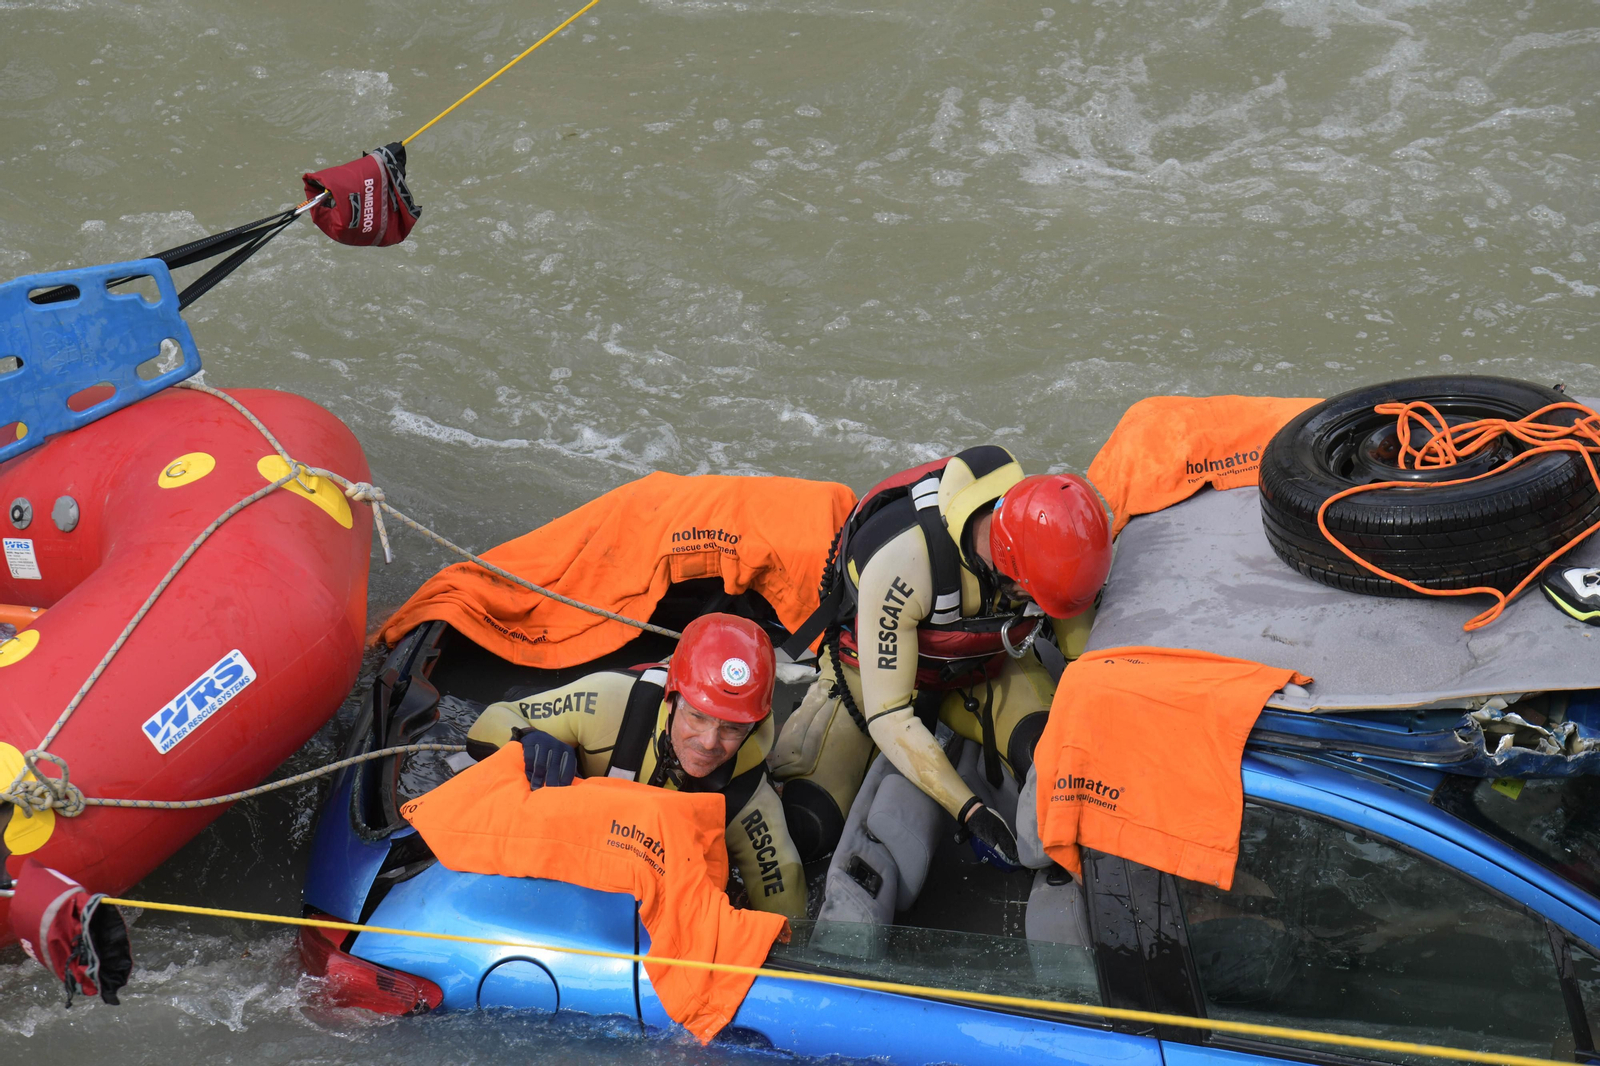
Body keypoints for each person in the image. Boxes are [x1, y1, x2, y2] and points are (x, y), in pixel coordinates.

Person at [771, 445, 1113, 870]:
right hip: (870, 677)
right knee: (808, 824)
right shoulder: (903, 563)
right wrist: (968, 809)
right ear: (1007, 563)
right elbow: (890, 715)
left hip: (980, 668)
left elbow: (1087, 668)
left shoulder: (1054, 545)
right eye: (1036, 600)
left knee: (1045, 750)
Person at [465, 613, 807, 918]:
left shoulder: (750, 798)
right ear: (671, 699)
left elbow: (787, 918)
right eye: (697, 717)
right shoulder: (608, 702)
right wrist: (524, 739)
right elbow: (489, 720)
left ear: (755, 726)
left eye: (732, 728)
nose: (708, 743)